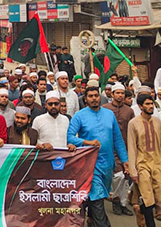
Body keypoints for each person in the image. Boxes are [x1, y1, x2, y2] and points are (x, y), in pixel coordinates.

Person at [67, 86, 129, 227]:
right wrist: (86, 142)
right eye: (91, 96)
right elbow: (70, 137)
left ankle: (91, 219)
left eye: (96, 95)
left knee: (99, 196)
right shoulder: (79, 115)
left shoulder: (109, 114)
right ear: (86, 99)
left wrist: (125, 160)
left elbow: (118, 139)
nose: (94, 98)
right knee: (98, 196)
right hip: (89, 165)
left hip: (108, 164)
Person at [127, 94, 161, 227]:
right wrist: (133, 171)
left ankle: (140, 211)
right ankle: (150, 224)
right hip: (142, 163)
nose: (151, 106)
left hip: (156, 162)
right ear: (140, 106)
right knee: (147, 195)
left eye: (151, 104)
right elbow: (132, 147)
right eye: (147, 104)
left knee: (158, 194)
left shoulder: (157, 122)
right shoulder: (133, 123)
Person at [100, 82, 135, 216]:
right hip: (109, 147)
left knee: (126, 177)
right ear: (112, 94)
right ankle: (115, 199)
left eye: (122, 93)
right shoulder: (105, 109)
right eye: (117, 93)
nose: (120, 95)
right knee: (118, 176)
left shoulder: (129, 110)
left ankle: (122, 203)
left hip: (126, 147)